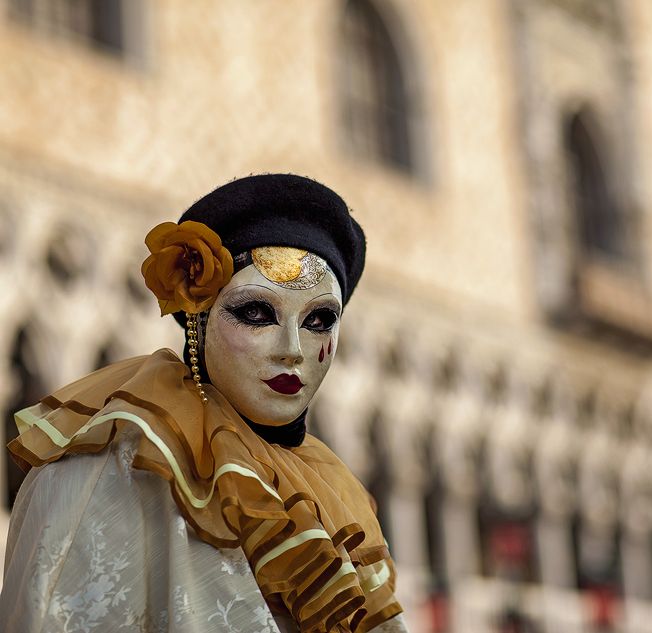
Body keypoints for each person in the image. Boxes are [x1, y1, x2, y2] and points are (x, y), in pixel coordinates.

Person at [1, 174, 409, 632]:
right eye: (256, 313)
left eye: (318, 319)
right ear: (200, 319)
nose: (292, 348)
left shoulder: (336, 501)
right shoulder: (114, 469)